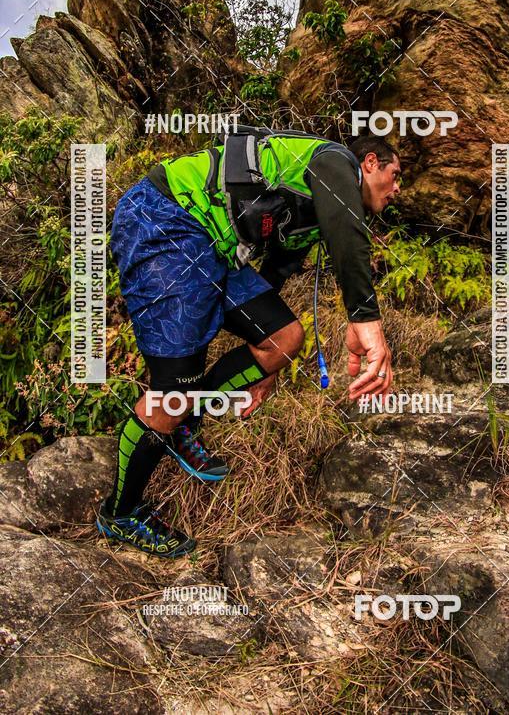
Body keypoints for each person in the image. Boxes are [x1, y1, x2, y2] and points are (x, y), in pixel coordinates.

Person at [96, 130, 401, 557]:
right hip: (166, 217)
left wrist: (266, 359)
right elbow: (347, 235)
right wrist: (365, 320)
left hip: (212, 247)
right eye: (395, 175)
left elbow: (276, 271)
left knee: (284, 338)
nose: (397, 189)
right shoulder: (333, 161)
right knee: (173, 390)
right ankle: (121, 513)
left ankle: (185, 421)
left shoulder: (313, 210)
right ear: (369, 163)